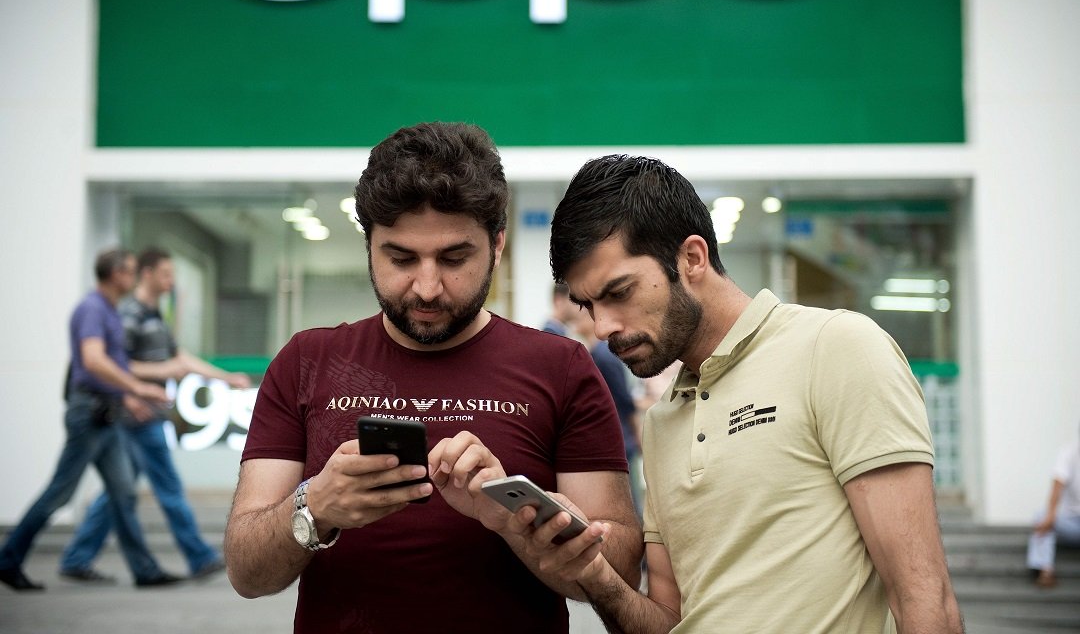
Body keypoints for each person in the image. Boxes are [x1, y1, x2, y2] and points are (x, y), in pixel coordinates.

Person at [223, 122, 641, 633]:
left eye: (453, 258)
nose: (426, 287)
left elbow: (619, 567)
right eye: (400, 258)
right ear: (369, 245)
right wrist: (317, 506)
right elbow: (246, 571)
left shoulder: (561, 367)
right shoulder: (306, 361)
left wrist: (523, 524)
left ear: (498, 245)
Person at [530, 155, 963, 633]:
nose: (602, 325)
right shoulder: (661, 421)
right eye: (589, 304)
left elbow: (924, 597)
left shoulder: (836, 347)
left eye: (619, 292)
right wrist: (593, 574)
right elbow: (668, 622)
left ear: (691, 258)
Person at [58, 247, 251, 583]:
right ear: (145, 274)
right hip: (137, 415)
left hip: (145, 414)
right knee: (167, 486)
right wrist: (138, 390)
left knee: (118, 492)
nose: (171, 280)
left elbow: (182, 360)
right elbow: (117, 365)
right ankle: (199, 556)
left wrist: (225, 377)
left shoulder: (154, 314)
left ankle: (78, 556)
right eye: (165, 274)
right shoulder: (129, 314)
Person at [0, 249, 182, 591]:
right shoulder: (92, 309)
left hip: (108, 414)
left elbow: (107, 367)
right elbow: (93, 362)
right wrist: (139, 387)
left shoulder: (110, 312)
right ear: (115, 274)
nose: (134, 277)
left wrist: (128, 394)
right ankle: (7, 559)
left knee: (124, 492)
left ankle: (144, 570)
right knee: (60, 493)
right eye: (129, 270)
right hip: (89, 415)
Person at [572, 311, 642, 517]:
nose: (575, 322)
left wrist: (636, 431)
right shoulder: (592, 353)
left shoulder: (603, 355)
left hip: (621, 436)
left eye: (580, 317)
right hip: (613, 436)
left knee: (629, 500)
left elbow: (623, 398)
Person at [1027, 425, 1080, 589]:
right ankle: (1045, 569)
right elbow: (1058, 483)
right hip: (1073, 524)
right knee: (1041, 516)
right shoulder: (1070, 452)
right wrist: (1050, 515)